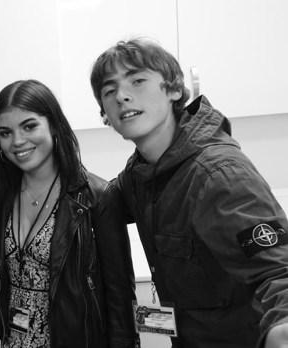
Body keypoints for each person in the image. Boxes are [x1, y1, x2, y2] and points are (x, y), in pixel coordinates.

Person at [90, 38, 288, 348]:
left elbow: (278, 269)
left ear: (174, 90)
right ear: (104, 111)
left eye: (138, 80)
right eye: (109, 90)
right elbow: (102, 196)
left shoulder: (219, 174)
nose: (122, 96)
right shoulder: (141, 174)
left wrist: (283, 329)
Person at [0, 79, 138, 347]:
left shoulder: (97, 197)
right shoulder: (0, 197)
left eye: (29, 126)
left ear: (54, 126)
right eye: (5, 132)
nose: (18, 141)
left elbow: (120, 298)